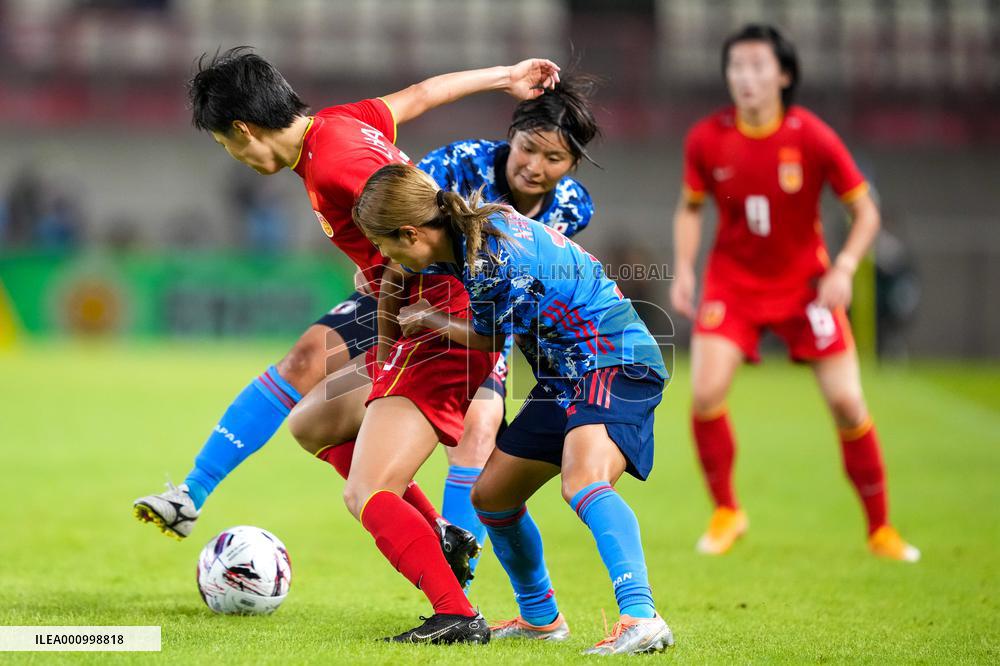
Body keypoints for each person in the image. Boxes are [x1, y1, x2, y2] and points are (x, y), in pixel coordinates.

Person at [132, 47, 561, 584]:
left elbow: (427, 218)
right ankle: (192, 494)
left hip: (433, 295)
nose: (232, 154)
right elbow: (421, 95)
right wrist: (506, 75)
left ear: (243, 129)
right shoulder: (339, 125)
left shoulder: (339, 160)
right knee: (309, 383)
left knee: (457, 434)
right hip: (400, 287)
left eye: (224, 143)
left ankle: (461, 576)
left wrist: (421, 287)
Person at [288, 74, 600, 586]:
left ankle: (459, 582)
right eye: (528, 150)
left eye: (554, 159)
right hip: (420, 310)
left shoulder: (574, 207)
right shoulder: (459, 165)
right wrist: (394, 313)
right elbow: (398, 222)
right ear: (510, 138)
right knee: (310, 418)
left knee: (479, 430)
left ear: (573, 165)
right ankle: (444, 539)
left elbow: (519, 301)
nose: (535, 167)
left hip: (478, 326)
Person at [353, 163, 674, 654]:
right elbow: (411, 276)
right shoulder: (468, 234)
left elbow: (491, 336)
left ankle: (640, 615)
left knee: (584, 479)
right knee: (493, 497)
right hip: (567, 373)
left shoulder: (490, 258)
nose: (383, 254)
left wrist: (431, 318)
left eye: (383, 243)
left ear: (412, 232)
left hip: (615, 359)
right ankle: (541, 618)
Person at [670, 24, 919, 561]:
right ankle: (727, 512)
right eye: (737, 67)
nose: (746, 77)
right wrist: (685, 269)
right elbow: (691, 208)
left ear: (783, 74)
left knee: (849, 404)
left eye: (758, 66)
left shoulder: (813, 136)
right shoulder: (707, 138)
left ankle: (881, 529)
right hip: (733, 284)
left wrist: (845, 267)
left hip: (807, 288)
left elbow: (866, 212)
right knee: (706, 393)